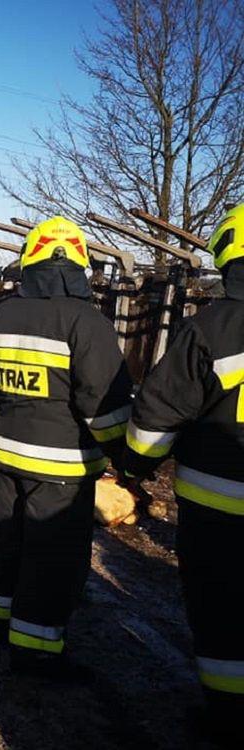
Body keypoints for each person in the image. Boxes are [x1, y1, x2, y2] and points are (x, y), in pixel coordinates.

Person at [0, 216, 133, 682]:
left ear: (31, 259)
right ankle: (35, 654)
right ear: (79, 262)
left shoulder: (2, 315)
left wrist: (4, 423)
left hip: (8, 457)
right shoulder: (87, 322)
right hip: (64, 465)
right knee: (51, 558)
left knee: (11, 539)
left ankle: (2, 621)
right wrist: (127, 458)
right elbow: (105, 407)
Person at [123, 203, 244, 745]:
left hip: (221, 514)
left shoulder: (212, 329)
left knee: (222, 615)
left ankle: (227, 714)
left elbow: (157, 414)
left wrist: (134, 467)